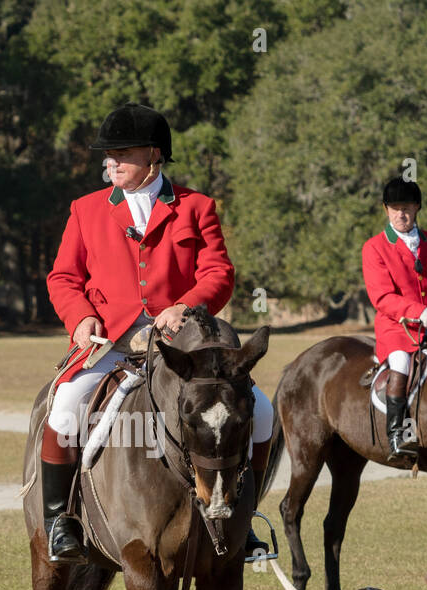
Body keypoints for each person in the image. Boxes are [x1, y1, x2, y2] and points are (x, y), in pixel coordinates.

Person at [43, 102, 275, 564]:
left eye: (121, 154)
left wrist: (186, 305)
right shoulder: (86, 210)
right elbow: (62, 278)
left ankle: (244, 517)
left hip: (182, 346)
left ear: (153, 155)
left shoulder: (196, 207)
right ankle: (58, 520)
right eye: (108, 156)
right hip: (109, 341)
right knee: (66, 408)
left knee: (263, 412)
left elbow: (219, 272)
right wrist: (81, 318)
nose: (110, 163)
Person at [360, 177, 427, 461]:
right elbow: (382, 297)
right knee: (402, 363)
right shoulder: (374, 247)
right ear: (386, 210)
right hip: (397, 328)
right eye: (394, 208)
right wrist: (419, 312)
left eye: (406, 208)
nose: (400, 214)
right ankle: (397, 435)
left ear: (417, 208)